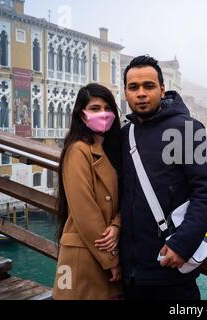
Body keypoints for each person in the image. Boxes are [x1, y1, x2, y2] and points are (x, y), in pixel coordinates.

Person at [120, 55, 207, 300]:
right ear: (125, 92)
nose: (141, 93)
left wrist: (182, 245)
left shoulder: (186, 130)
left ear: (162, 89)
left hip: (171, 267)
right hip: (130, 272)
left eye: (149, 86)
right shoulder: (125, 135)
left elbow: (206, 192)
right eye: (133, 87)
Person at [52, 83, 123, 300]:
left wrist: (117, 224)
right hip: (86, 255)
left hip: (107, 246)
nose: (102, 113)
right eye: (94, 108)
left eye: (107, 107)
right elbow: (85, 212)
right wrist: (112, 260)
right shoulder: (78, 151)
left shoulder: (112, 150)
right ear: (82, 115)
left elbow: (128, 196)